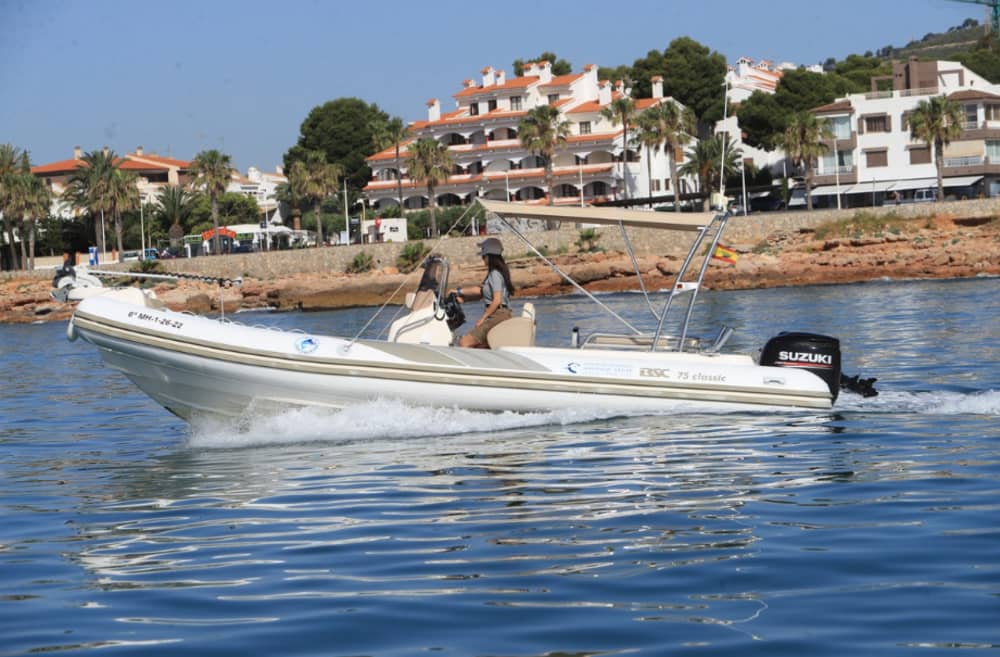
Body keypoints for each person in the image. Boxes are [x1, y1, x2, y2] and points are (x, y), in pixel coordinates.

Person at [452, 237, 514, 348]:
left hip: (498, 315)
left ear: (489, 256)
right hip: (499, 314)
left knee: (464, 343)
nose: (482, 258)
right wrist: (462, 297)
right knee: (479, 346)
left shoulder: (495, 274)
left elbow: (497, 300)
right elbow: (481, 292)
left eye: (483, 256)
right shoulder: (494, 273)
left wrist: (483, 318)